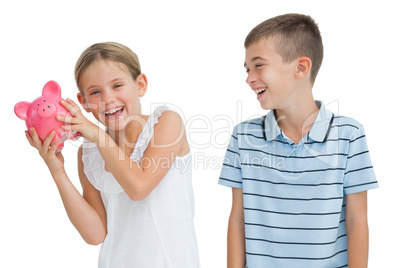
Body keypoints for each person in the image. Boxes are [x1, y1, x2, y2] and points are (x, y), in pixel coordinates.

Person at [219, 14, 378, 268]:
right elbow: (238, 218)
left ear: (301, 67)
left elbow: (357, 219)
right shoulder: (243, 137)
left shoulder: (349, 134)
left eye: (258, 65)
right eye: (247, 69)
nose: (249, 78)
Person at [26, 42, 200, 268]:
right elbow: (95, 234)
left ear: (140, 85)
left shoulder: (166, 122)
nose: (108, 99)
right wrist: (58, 171)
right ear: (84, 103)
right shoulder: (88, 153)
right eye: (95, 92)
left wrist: (98, 135)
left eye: (117, 85)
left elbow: (138, 187)